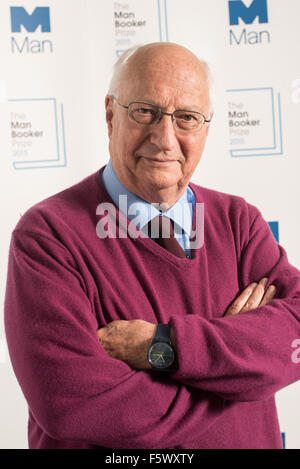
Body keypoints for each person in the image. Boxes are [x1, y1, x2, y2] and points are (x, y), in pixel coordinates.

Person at [4, 42, 300, 450]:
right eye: (145, 111)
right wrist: (239, 377)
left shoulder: (239, 223)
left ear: (205, 128)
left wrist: (163, 346)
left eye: (186, 118)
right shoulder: (48, 237)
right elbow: (74, 405)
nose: (164, 138)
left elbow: (296, 332)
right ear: (111, 115)